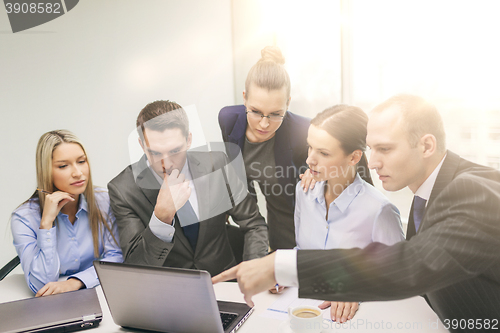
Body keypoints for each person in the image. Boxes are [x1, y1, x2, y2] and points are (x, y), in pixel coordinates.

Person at [213, 94, 500, 327]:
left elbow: (411, 263)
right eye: (372, 149)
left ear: (426, 145)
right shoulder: (426, 195)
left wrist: (282, 266)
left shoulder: (469, 190)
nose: (372, 163)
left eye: (385, 149)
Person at [108, 100, 268, 276]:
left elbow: (254, 225)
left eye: (175, 151)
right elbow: (136, 266)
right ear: (142, 145)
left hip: (225, 284)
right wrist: (161, 218)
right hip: (169, 293)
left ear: (189, 140)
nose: (166, 164)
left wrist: (255, 271)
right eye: (155, 153)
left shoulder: (218, 164)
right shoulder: (123, 190)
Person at [294, 105, 404, 322]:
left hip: (356, 321)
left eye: (323, 153)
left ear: (354, 157)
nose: (310, 160)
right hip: (303, 309)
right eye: (310, 148)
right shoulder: (304, 191)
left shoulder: (379, 210)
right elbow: (302, 251)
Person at [218, 46, 310, 252]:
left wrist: (312, 171)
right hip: (271, 207)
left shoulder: (303, 130)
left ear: (288, 103)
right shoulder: (228, 120)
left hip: (296, 210)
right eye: (256, 112)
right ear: (244, 98)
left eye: (276, 114)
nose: (264, 124)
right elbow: (238, 170)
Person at [11, 130, 123, 296]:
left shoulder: (105, 201)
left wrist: (76, 282)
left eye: (81, 161)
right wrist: (46, 224)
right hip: (52, 304)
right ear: (46, 171)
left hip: (100, 291)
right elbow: (40, 285)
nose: (78, 173)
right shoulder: (24, 218)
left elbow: (117, 258)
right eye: (63, 166)